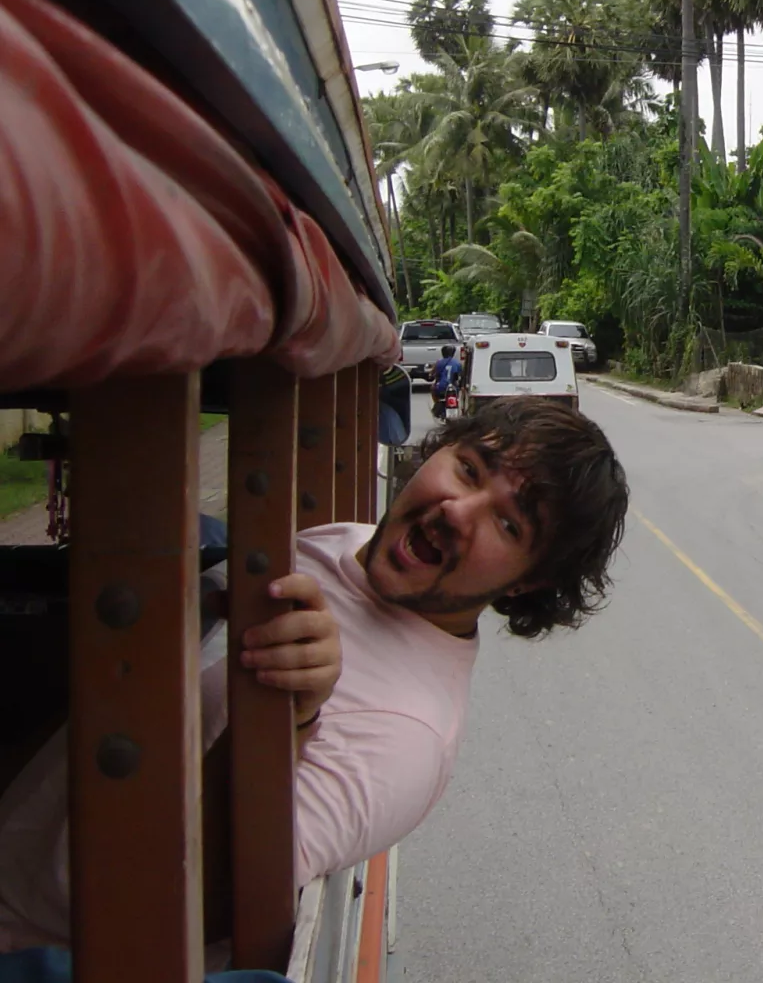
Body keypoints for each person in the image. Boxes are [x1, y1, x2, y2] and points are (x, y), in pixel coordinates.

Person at [0, 396, 629, 952]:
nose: (457, 512)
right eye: (468, 469)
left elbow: (184, 909)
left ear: (526, 582)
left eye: (508, 524)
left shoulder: (405, 736)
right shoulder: (347, 539)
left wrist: (288, 718)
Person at [429, 344, 463, 420]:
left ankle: (437, 403)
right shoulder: (457, 363)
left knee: (432, 388)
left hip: (441, 387)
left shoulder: (439, 362)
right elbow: (460, 375)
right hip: (454, 388)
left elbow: (432, 374)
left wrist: (432, 375)